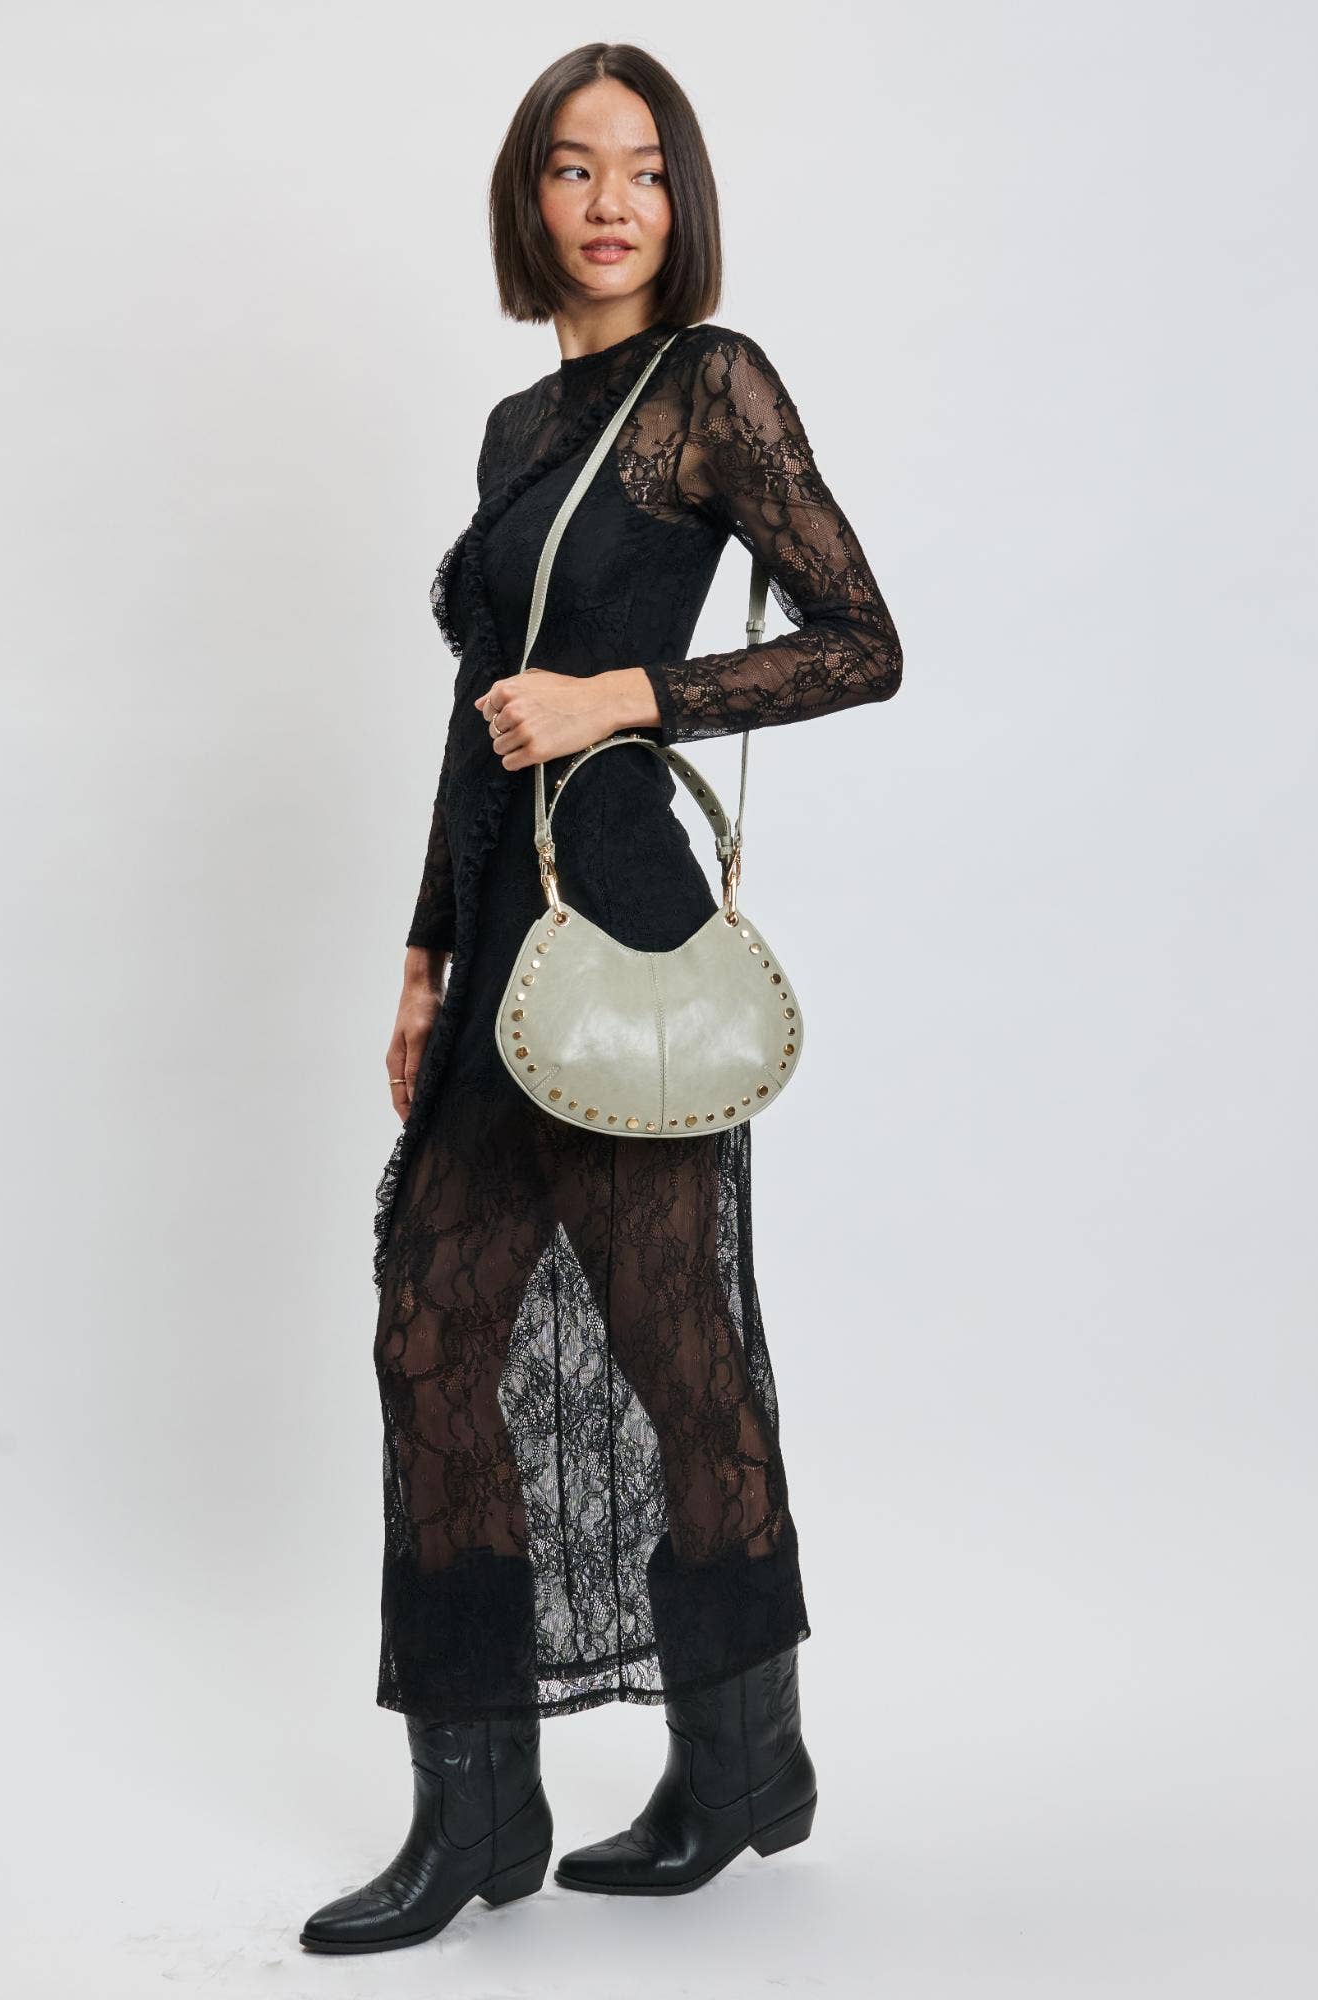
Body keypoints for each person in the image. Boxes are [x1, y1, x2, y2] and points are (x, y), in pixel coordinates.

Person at [300, 40, 902, 1955]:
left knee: (675, 1342)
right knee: (431, 1326)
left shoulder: (711, 387)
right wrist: (421, 954)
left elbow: (861, 643)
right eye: (574, 167)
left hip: (626, 917)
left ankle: (744, 1766)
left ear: (681, 196)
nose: (612, 199)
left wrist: (627, 699)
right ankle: (480, 1813)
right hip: (503, 926)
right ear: (530, 199)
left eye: (644, 167)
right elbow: (476, 716)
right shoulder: (516, 427)